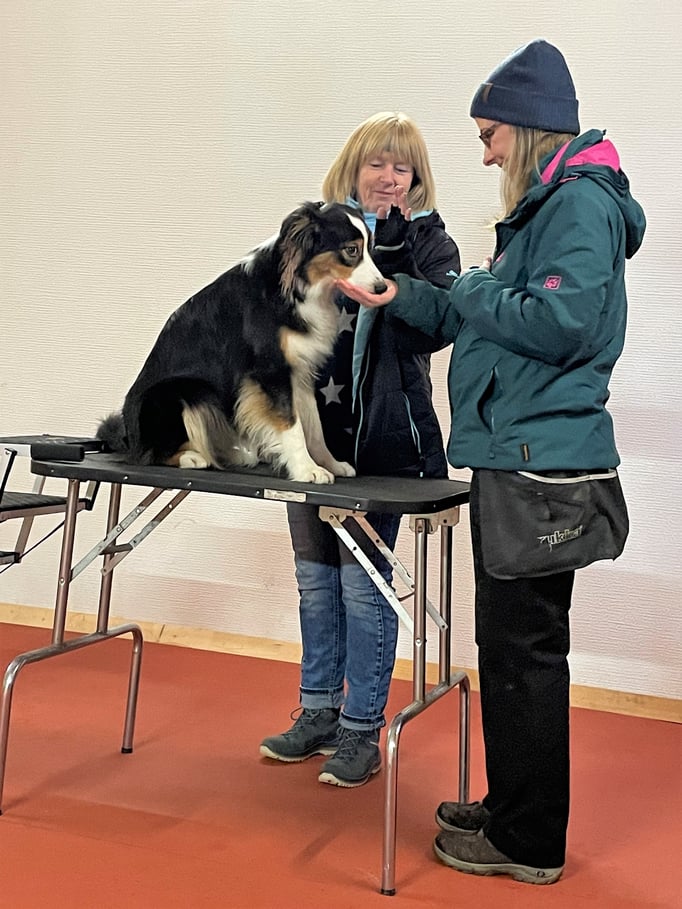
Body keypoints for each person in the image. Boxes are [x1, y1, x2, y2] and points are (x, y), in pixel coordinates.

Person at [337, 41, 645, 879]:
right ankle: (513, 806)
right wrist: (404, 294)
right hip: (519, 459)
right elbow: (485, 316)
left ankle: (528, 839)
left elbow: (563, 323)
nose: (484, 154)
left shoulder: (577, 206)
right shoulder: (550, 209)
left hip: (540, 467)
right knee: (511, 653)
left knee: (527, 656)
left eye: (490, 135)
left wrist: (471, 288)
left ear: (530, 127)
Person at [259, 112, 461, 787]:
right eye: (377, 162)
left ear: (416, 178)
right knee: (316, 584)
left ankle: (360, 729)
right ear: (354, 167)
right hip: (315, 439)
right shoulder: (319, 235)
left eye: (401, 166)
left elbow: (441, 324)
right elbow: (275, 315)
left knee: (364, 587)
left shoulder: (431, 242)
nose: (388, 176)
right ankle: (317, 710)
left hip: (386, 446)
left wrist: (397, 253)